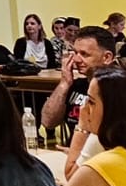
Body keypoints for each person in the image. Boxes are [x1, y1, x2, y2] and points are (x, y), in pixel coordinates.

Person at [39, 25, 117, 161]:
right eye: (75, 53)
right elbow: (48, 122)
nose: (76, 59)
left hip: (101, 159)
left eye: (84, 54)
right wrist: (64, 83)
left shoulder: (119, 90)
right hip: (72, 155)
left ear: (107, 57)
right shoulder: (76, 85)